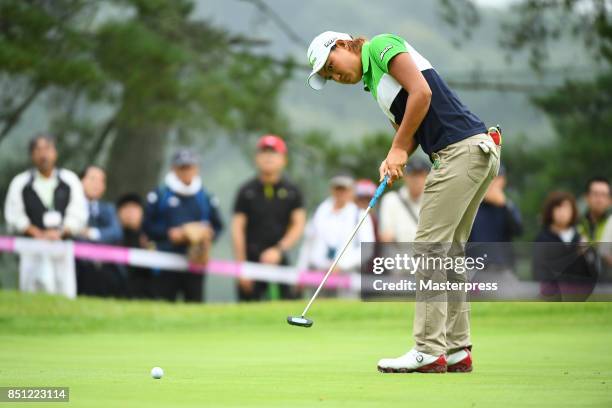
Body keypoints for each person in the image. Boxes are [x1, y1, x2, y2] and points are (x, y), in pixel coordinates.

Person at [306, 31, 500, 373]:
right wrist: (394, 156)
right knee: (450, 251)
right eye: (329, 77)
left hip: (459, 152)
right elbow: (407, 131)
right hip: (475, 151)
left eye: (332, 66)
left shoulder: (380, 47)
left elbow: (422, 93)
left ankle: (427, 349)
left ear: (343, 45)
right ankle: (456, 349)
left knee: (428, 247)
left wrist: (398, 148)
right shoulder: (375, 84)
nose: (337, 77)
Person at [3, 134, 88, 298]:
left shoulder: (70, 180)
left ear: (55, 152)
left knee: (64, 291)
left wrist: (60, 232)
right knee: (30, 292)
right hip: (31, 247)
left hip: (62, 245)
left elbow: (78, 213)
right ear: (32, 155)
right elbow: (14, 215)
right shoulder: (21, 182)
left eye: (48, 149)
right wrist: (36, 233)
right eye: (38, 150)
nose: (44, 155)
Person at [232, 135, 306, 301]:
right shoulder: (246, 191)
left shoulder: (292, 191)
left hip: (280, 257)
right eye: (264, 153)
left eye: (273, 153)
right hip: (251, 259)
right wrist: (241, 265)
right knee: (248, 310)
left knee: (287, 305)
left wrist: (279, 249)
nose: (268, 157)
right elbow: (237, 229)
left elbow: (298, 225)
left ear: (283, 159)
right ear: (256, 158)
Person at [144, 148, 223, 302]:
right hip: (165, 261)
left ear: (197, 169)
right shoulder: (160, 195)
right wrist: (170, 234)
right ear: (173, 169)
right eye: (182, 167)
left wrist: (206, 236)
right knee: (163, 304)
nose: (186, 171)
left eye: (190, 167)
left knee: (195, 305)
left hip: (196, 261)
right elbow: (147, 226)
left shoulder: (206, 197)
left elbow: (218, 226)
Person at [297, 173, 375, 285]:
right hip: (317, 273)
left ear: (352, 192)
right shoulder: (319, 211)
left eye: (344, 189)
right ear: (332, 190)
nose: (340, 193)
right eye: (337, 189)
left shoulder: (360, 215)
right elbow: (308, 243)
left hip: (345, 275)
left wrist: (343, 265)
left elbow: (367, 248)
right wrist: (301, 270)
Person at [533, 191, 597, 301]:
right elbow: (538, 270)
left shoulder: (580, 238)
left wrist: (586, 254)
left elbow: (592, 270)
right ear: (551, 211)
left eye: (566, 208)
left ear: (573, 211)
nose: (562, 212)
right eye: (558, 208)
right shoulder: (543, 239)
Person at [76, 166, 125, 297]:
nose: (97, 184)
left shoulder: (108, 209)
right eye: (92, 179)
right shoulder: (71, 207)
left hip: (105, 268)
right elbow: (73, 234)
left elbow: (116, 232)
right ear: (80, 181)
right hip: (78, 266)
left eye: (101, 181)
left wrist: (91, 233)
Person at [468, 164, 523, 269]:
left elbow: (518, 230)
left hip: (502, 267)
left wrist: (505, 205)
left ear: (503, 181)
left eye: (497, 178)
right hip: (475, 267)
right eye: (489, 178)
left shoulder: (507, 205)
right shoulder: (470, 204)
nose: (492, 183)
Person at [379, 157, 430, 243]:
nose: (416, 179)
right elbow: (386, 237)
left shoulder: (434, 201)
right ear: (405, 176)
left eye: (420, 175)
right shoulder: (391, 200)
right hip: (398, 255)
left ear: (427, 177)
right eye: (412, 174)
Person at [116, 193, 154, 299]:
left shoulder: (149, 238)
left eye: (134, 208)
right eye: (126, 208)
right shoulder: (112, 239)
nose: (130, 212)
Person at [578, 177, 610, 243]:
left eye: (603, 195)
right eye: (595, 194)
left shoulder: (610, 223)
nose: (599, 199)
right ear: (586, 197)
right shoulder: (576, 224)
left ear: (610, 200)